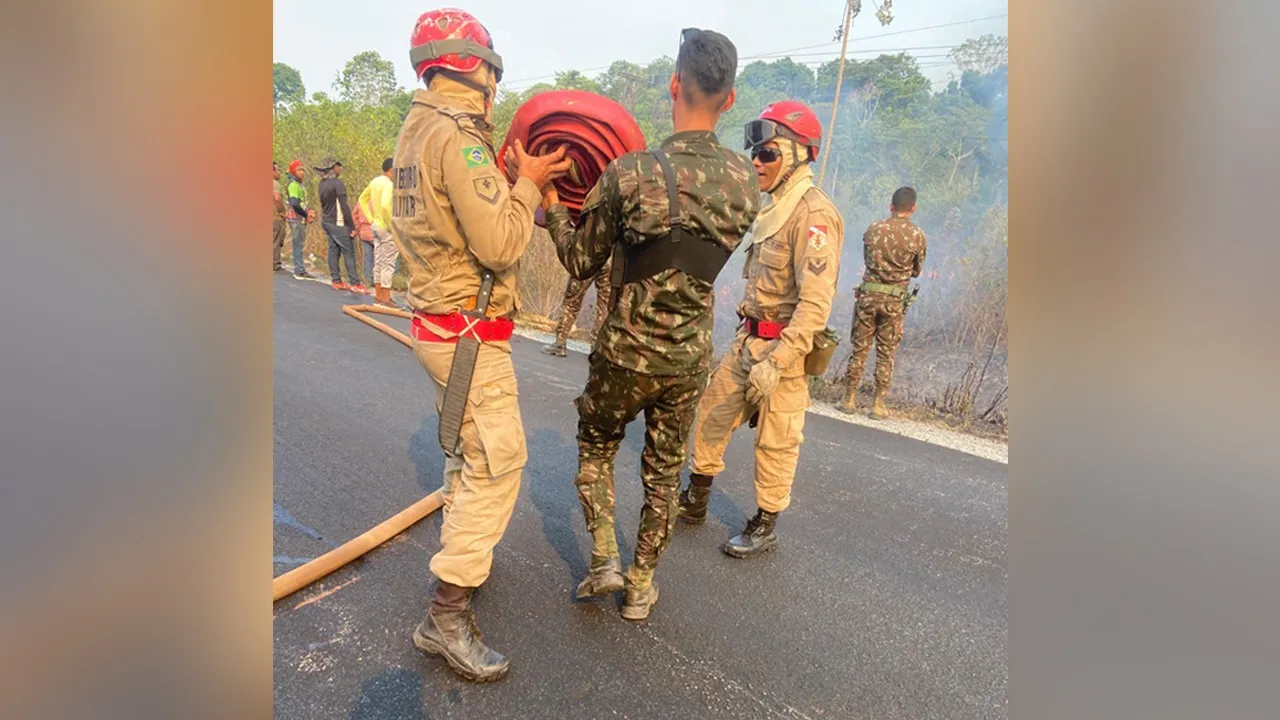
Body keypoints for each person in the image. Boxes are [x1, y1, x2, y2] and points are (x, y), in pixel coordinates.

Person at [522, 27, 758, 621]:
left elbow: (580, 260)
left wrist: (552, 205)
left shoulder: (630, 172)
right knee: (663, 470)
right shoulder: (747, 182)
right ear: (729, 99)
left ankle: (603, 557)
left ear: (674, 84)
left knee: (597, 445)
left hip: (625, 352)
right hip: (687, 359)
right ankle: (641, 584)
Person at [392, 8, 571, 683]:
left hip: (442, 325)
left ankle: (463, 562)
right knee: (498, 461)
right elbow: (499, 242)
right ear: (478, 68)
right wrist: (529, 185)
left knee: (470, 450)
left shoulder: (416, 131)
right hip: (468, 334)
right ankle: (446, 613)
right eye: (492, 72)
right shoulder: (460, 139)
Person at [675, 101, 844, 558]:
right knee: (712, 412)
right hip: (748, 338)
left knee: (777, 439)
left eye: (768, 153)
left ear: (797, 155)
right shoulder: (773, 208)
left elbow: (815, 303)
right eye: (757, 152)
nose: (757, 161)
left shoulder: (813, 215)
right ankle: (696, 499)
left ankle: (766, 522)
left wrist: (781, 361)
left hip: (782, 350)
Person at [837, 186, 927, 419]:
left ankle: (848, 399)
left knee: (859, 348)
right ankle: (877, 405)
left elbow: (867, 260)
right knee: (886, 353)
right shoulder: (917, 235)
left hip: (868, 297)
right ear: (913, 208)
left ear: (891, 206)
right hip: (894, 302)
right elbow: (917, 271)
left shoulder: (873, 229)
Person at [315, 156, 365, 293]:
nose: (340, 168)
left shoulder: (322, 184)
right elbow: (344, 206)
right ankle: (355, 283)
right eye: (338, 166)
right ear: (333, 168)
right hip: (338, 222)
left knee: (333, 250)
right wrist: (352, 227)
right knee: (349, 252)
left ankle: (336, 281)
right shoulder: (337, 184)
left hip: (326, 221)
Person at [541, 260, 611, 357]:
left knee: (572, 300)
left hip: (588, 258)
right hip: (609, 259)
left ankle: (560, 342)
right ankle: (596, 348)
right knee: (604, 306)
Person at [358, 158, 399, 308]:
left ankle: (378, 296)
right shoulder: (389, 184)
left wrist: (371, 218)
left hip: (375, 226)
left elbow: (362, 199)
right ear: (392, 170)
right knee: (388, 263)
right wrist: (391, 225)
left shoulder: (375, 182)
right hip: (386, 227)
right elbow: (385, 205)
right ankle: (386, 298)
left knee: (379, 261)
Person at [284, 161, 316, 279]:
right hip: (296, 218)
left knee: (299, 243)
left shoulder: (299, 184)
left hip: (300, 218)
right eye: (299, 170)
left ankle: (300, 268)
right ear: (293, 172)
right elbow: (295, 203)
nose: (302, 172)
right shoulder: (293, 185)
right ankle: (299, 269)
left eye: (303, 170)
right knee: (298, 243)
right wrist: (305, 214)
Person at [272, 162, 289, 272]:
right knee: (276, 240)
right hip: (275, 217)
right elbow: (277, 198)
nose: (279, 173)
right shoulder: (274, 183)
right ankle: (275, 264)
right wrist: (282, 211)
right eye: (277, 170)